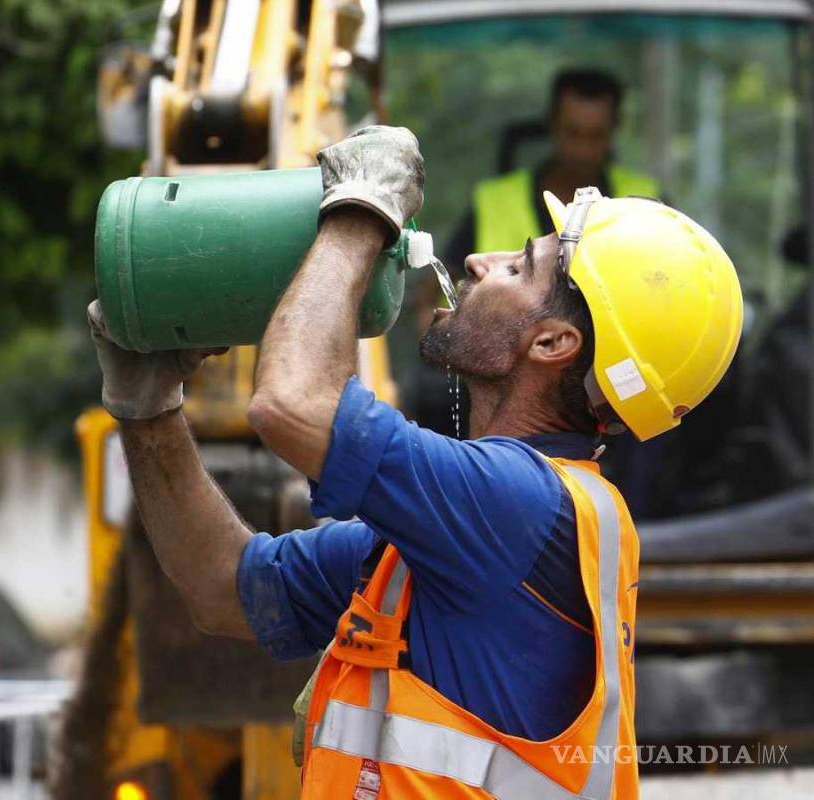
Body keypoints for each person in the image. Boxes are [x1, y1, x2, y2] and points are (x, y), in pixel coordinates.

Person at [88, 126, 741, 798]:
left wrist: (360, 212)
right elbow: (223, 590)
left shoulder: (517, 505)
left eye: (519, 266)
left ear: (552, 342)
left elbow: (293, 405)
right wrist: (150, 410)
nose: (480, 261)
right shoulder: (477, 529)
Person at [445, 68, 659, 269]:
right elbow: (434, 289)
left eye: (596, 136)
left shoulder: (647, 203)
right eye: (572, 133)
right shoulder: (492, 203)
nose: (582, 150)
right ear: (552, 124)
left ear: (615, 129)